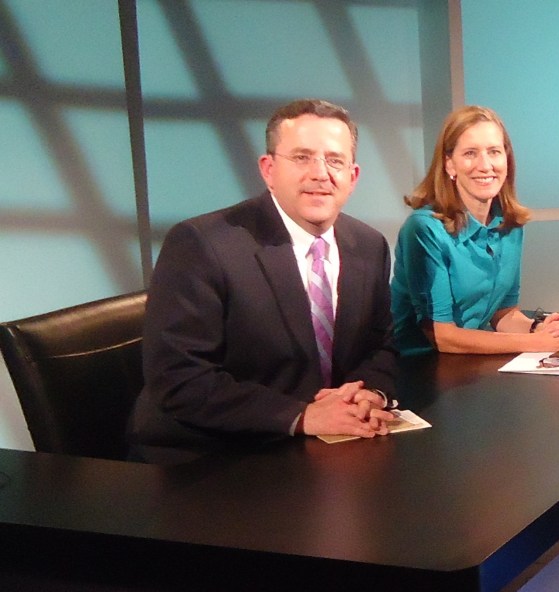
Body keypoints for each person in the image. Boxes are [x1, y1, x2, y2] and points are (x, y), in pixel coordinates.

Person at [129, 98, 397, 464]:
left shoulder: (369, 245)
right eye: (302, 157)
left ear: (353, 177)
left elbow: (383, 345)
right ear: (268, 169)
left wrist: (369, 392)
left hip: (323, 446)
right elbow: (180, 377)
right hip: (213, 455)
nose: (320, 173)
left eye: (335, 160)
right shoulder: (201, 244)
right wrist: (302, 416)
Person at [390, 105, 559, 356]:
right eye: (470, 153)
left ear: (506, 159)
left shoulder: (509, 225)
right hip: (415, 366)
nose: (485, 165)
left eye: (494, 152)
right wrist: (539, 344)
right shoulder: (424, 229)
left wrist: (540, 329)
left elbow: (503, 314)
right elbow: (443, 337)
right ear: (449, 165)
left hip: (469, 364)